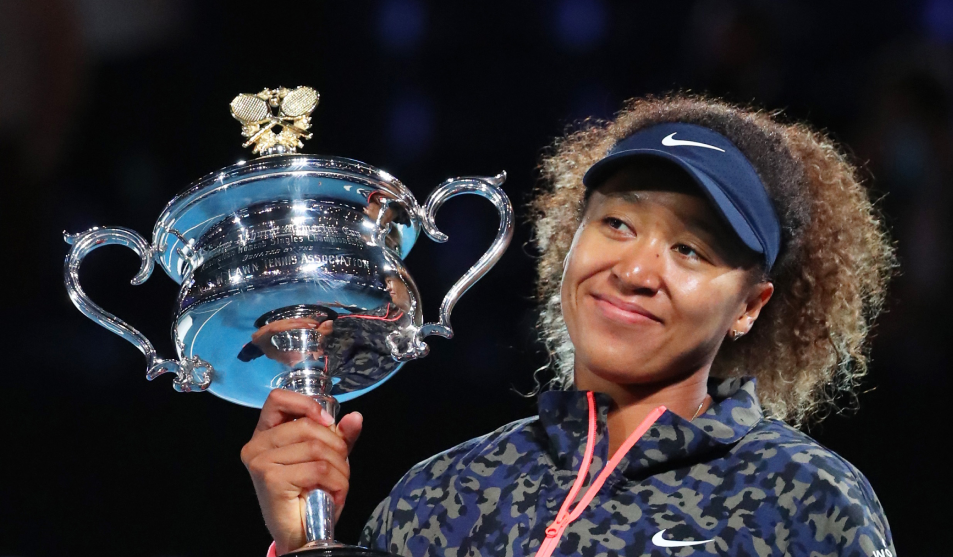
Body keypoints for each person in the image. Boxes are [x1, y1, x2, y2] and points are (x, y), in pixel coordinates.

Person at [240, 94, 897, 556]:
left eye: (690, 250)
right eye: (617, 223)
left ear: (750, 306)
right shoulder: (436, 497)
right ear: (569, 240)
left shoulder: (809, 501)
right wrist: (305, 541)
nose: (638, 269)